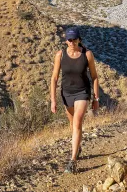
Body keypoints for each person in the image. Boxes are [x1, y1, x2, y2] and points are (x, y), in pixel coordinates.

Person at [50, 27, 99, 174]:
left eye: (75, 39)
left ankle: (73, 161)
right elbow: (54, 78)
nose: (72, 42)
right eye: (69, 40)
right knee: (72, 125)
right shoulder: (60, 55)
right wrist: (53, 100)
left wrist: (96, 97)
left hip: (82, 92)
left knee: (77, 122)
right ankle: (77, 148)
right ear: (66, 41)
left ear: (79, 39)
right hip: (67, 93)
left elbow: (95, 77)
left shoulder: (87, 54)